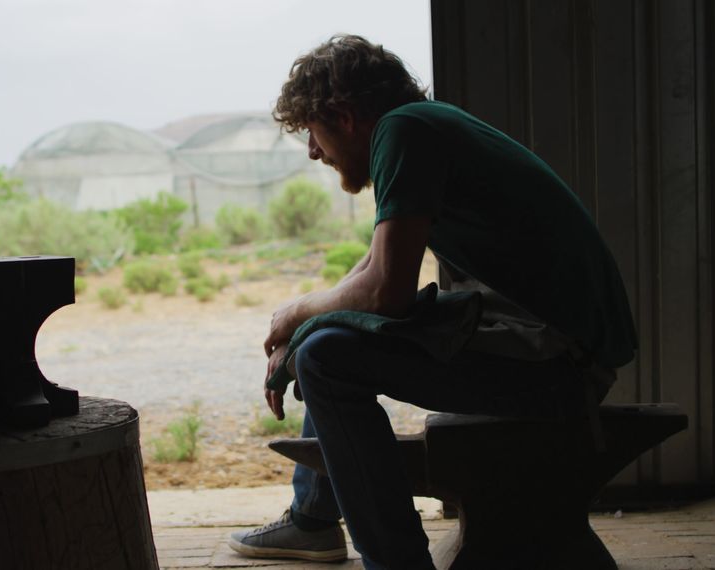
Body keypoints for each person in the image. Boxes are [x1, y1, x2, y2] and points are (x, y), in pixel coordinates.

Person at [227, 35, 637, 569]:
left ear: (345, 115)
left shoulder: (404, 131)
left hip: (562, 368)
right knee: (329, 338)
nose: (312, 151)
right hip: (556, 352)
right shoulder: (422, 124)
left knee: (326, 356)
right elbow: (375, 265)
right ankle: (314, 520)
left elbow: (385, 292)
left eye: (312, 131)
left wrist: (297, 315)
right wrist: (306, 319)